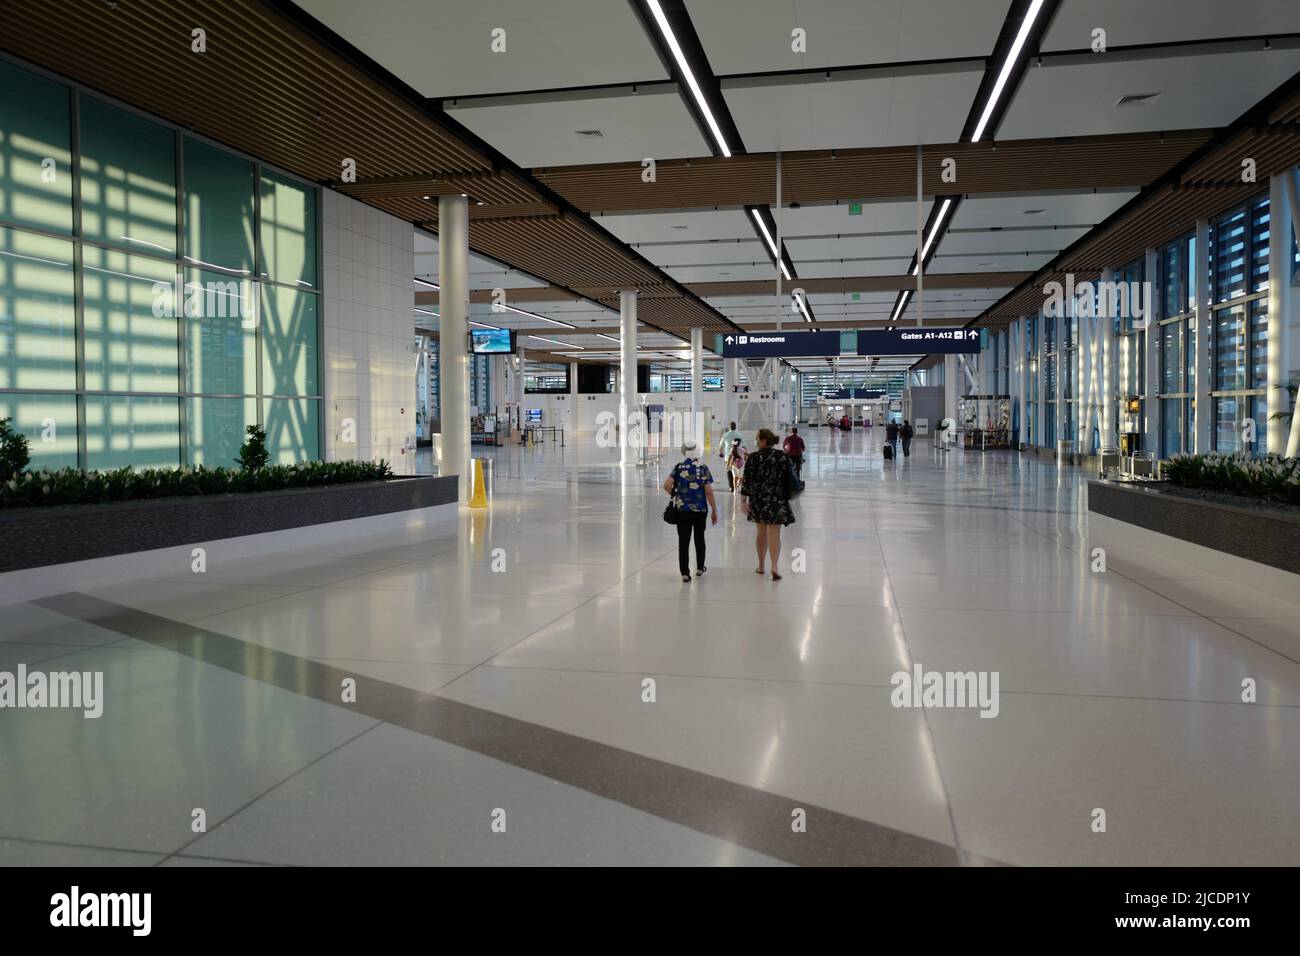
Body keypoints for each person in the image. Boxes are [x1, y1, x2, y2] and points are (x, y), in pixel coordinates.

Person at [740, 428, 796, 581]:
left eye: (758, 438)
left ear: (764, 440)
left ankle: (761, 564)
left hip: (758, 500)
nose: (756, 441)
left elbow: (747, 480)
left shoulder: (753, 458)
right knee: (774, 534)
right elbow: (790, 478)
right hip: (777, 499)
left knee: (761, 533)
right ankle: (775, 566)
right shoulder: (782, 456)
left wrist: (743, 501)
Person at [663, 440, 718, 583]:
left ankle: (685, 573)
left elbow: (667, 485)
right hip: (700, 510)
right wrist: (714, 510)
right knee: (699, 538)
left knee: (683, 541)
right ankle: (700, 567)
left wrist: (677, 497)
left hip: (682, 510)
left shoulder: (679, 467)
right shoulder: (703, 468)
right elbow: (709, 491)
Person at [718, 420, 743, 490]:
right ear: (735, 427)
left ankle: (731, 486)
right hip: (738, 456)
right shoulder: (739, 435)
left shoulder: (725, 435)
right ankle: (737, 485)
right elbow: (743, 446)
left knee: (729, 470)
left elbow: (721, 446)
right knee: (737, 471)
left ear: (730, 427)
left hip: (728, 456)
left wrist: (720, 453)